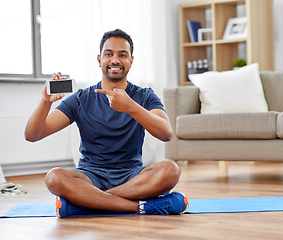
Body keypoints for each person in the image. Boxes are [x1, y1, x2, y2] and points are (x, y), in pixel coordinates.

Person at [25, 29, 188, 218]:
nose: (115, 60)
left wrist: (131, 107)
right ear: (99, 59)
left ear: (131, 61)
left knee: (171, 170)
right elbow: (32, 135)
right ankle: (139, 207)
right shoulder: (81, 98)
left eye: (122, 55)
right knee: (54, 178)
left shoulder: (144, 96)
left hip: (132, 175)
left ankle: (87, 203)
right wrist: (45, 102)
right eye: (109, 54)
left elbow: (166, 133)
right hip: (90, 176)